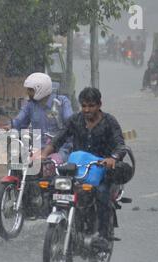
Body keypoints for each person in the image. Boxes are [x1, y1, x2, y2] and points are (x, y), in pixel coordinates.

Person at [33, 87, 127, 241]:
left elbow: (120, 145)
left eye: (91, 106)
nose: (87, 109)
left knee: (102, 193)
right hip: (77, 169)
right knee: (51, 187)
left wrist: (112, 158)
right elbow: (59, 138)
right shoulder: (75, 120)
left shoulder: (110, 122)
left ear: (99, 105)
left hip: (101, 170)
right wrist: (44, 154)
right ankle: (63, 222)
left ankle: (102, 236)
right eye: (84, 106)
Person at [3, 72, 73, 163]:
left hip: (61, 148)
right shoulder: (30, 105)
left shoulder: (61, 102)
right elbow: (19, 121)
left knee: (51, 164)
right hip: (38, 149)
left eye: (30, 90)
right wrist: (9, 127)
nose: (27, 92)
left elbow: (70, 123)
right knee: (19, 165)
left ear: (41, 89)